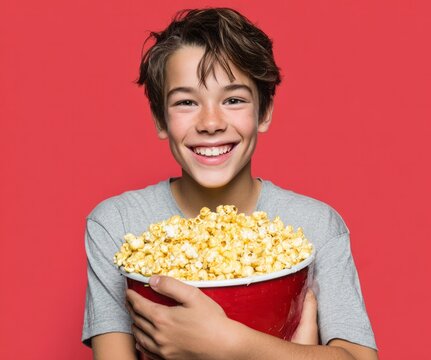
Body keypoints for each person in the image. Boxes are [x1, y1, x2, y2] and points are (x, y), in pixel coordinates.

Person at [82, 8, 378, 360]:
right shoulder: (118, 225)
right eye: (186, 102)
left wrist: (227, 343)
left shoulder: (316, 226)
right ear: (161, 119)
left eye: (234, 100)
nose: (210, 122)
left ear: (264, 112)